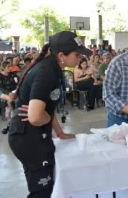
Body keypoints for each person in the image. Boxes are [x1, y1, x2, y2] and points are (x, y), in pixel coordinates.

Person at [8, 31, 91, 198]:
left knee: (48, 186)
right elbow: (37, 117)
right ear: (62, 55)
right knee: (42, 192)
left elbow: (48, 107)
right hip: (28, 138)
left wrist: (59, 132)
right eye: (77, 54)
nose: (80, 58)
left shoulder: (53, 67)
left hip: (35, 135)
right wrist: (44, 115)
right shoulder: (46, 72)